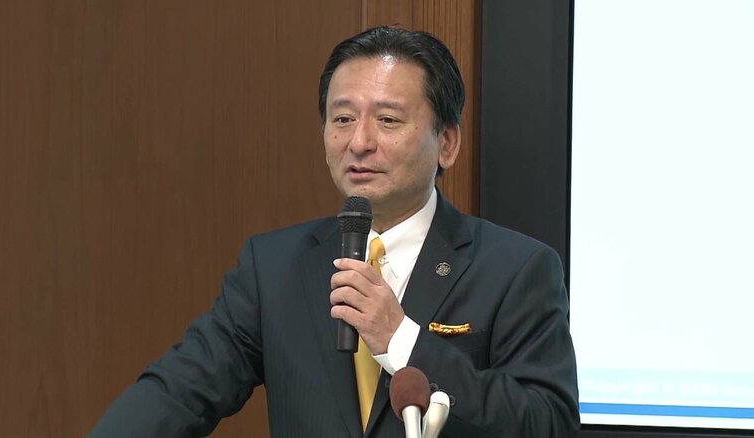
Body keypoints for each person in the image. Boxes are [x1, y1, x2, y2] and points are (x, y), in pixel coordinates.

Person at [92, 26, 579, 437]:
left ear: (447, 143)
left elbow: (548, 423)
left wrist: (401, 340)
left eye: (387, 120)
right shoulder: (275, 268)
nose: (359, 142)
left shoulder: (516, 269)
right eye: (342, 118)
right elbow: (180, 391)